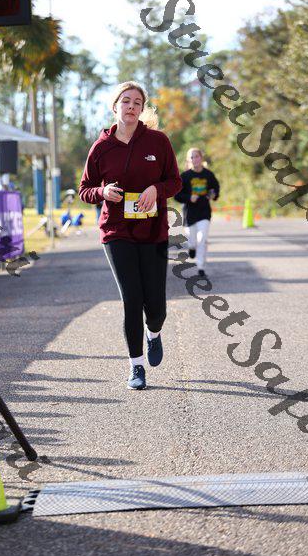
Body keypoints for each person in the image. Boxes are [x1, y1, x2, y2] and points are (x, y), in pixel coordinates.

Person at [79, 81, 182, 390]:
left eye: (137, 102)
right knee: (132, 299)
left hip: (153, 232)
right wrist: (102, 192)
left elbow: (175, 181)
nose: (132, 106)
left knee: (156, 306)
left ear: (142, 108)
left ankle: (154, 333)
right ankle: (136, 366)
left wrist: (156, 189)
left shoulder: (158, 142)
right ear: (115, 107)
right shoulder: (101, 147)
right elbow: (85, 190)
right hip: (116, 231)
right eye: (126, 101)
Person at [174, 148, 220, 277]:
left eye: (197, 156)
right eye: (192, 157)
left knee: (202, 239)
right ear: (188, 160)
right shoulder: (185, 176)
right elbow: (177, 195)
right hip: (189, 214)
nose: (194, 159)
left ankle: (201, 267)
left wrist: (213, 194)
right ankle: (191, 247)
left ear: (201, 158)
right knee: (192, 241)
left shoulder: (208, 175)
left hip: (204, 212)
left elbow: (215, 188)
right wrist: (189, 198)